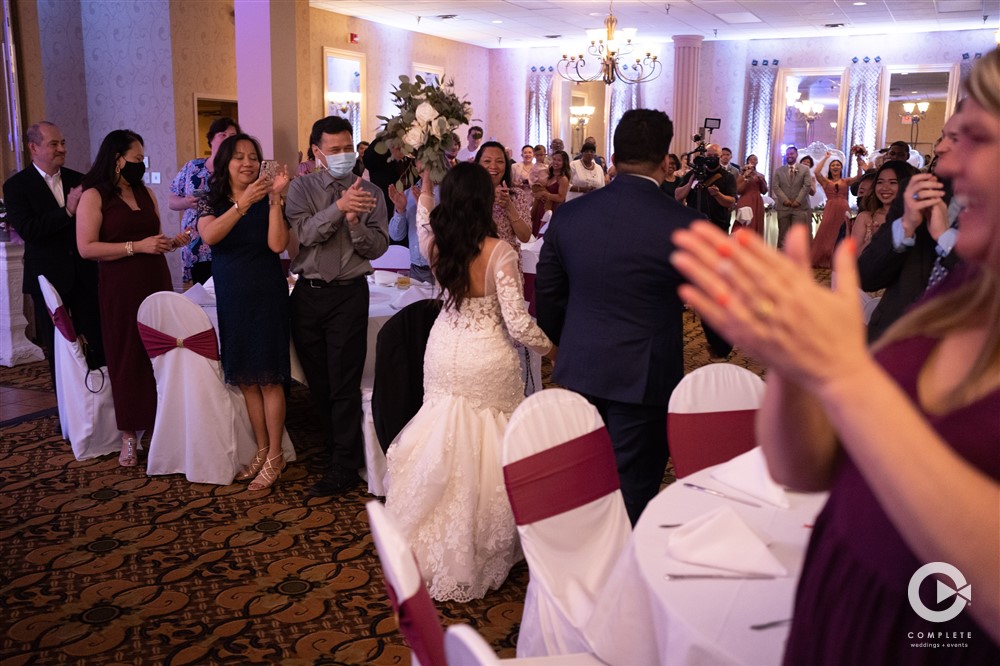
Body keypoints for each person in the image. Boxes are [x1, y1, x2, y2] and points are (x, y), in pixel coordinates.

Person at [667, 47, 1000, 665]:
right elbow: (805, 469)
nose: (947, 160)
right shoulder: (963, 292)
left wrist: (847, 376)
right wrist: (793, 363)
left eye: (975, 137)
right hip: (841, 605)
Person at [383, 162, 555, 602]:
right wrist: (551, 349)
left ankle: (427, 540)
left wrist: (424, 186)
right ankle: (477, 547)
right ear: (483, 201)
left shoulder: (438, 245)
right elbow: (517, 324)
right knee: (487, 442)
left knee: (441, 433)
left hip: (443, 348)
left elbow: (423, 217)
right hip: (486, 354)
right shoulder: (500, 252)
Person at [536, 109, 702, 525]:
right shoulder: (685, 223)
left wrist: (562, 346)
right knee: (633, 489)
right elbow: (712, 300)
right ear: (667, 162)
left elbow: (549, 294)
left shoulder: (570, 217)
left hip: (579, 367)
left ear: (612, 154)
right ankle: (619, 578)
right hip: (645, 375)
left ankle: (576, 571)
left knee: (580, 478)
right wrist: (718, 340)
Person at [285, 116, 388, 497]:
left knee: (344, 382)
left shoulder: (371, 191)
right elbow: (303, 236)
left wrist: (355, 223)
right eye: (335, 150)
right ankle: (340, 447)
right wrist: (338, 208)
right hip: (308, 294)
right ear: (316, 152)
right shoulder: (300, 189)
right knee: (319, 381)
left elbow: (378, 247)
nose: (344, 155)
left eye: (348, 148)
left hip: (348, 292)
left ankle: (343, 465)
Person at [76, 129, 181, 466]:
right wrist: (136, 247)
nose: (141, 164)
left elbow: (153, 238)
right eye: (137, 159)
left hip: (155, 279)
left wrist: (170, 242)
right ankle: (128, 435)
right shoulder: (94, 196)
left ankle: (157, 426)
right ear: (118, 159)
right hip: (120, 285)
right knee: (126, 355)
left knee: (157, 354)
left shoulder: (146, 192)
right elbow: (86, 247)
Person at [195, 134, 291, 490]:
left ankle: (276, 455)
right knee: (247, 379)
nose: (248, 163)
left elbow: (278, 245)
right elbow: (210, 237)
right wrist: (242, 204)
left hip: (266, 295)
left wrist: (274, 199)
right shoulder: (212, 200)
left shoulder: (268, 198)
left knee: (268, 378)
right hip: (232, 297)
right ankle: (262, 450)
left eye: (254, 157)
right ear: (226, 163)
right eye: (239, 157)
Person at [3, 121, 103, 385]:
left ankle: (99, 406)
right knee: (58, 348)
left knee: (95, 341)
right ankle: (67, 413)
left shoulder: (79, 179)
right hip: (47, 279)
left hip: (84, 274)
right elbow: (29, 230)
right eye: (54, 144)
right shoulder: (16, 187)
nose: (62, 149)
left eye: (63, 143)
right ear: (33, 147)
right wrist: (67, 211)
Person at [858, 112, 962, 343]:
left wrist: (946, 238)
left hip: (959, 351)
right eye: (942, 138)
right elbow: (867, 276)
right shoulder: (918, 190)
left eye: (955, 139)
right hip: (891, 338)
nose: (940, 149)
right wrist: (906, 226)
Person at [169, 116, 240, 284]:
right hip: (194, 242)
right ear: (211, 139)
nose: (228, 139)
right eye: (223, 135)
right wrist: (186, 202)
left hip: (225, 241)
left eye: (233, 136)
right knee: (201, 297)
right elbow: (172, 199)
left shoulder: (237, 169)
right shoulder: (192, 167)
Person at [476, 141, 532, 269]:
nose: (493, 166)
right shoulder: (467, 194)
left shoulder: (516, 195)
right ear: (478, 164)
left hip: (506, 266)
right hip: (476, 264)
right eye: (487, 161)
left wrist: (508, 206)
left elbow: (525, 237)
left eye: (500, 161)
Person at [851, 160, 915, 253]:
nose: (884, 188)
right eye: (880, 182)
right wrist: (875, 239)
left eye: (892, 182)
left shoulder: (915, 219)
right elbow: (853, 259)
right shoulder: (865, 218)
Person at [809, 151, 857, 268]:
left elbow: (859, 177)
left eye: (838, 165)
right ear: (830, 168)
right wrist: (825, 158)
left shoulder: (846, 181)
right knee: (827, 231)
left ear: (841, 168)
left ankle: (841, 258)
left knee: (843, 231)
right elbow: (816, 172)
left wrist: (859, 162)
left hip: (844, 208)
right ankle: (824, 257)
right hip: (831, 208)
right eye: (833, 165)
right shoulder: (826, 181)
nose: (835, 167)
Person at [771, 145, 813, 247]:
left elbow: (807, 185)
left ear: (796, 155)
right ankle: (781, 259)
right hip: (784, 207)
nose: (789, 155)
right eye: (788, 154)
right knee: (783, 235)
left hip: (799, 207)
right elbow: (775, 186)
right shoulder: (779, 170)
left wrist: (798, 200)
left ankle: (796, 260)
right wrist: (785, 200)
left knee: (797, 236)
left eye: (792, 153)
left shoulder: (804, 169)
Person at [530, 150, 569, 235]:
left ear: (564, 162)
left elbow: (561, 198)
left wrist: (545, 194)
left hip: (554, 210)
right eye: (554, 159)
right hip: (542, 208)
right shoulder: (549, 175)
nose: (555, 162)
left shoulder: (563, 179)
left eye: (559, 160)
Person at [735, 154, 768, 236]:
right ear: (747, 161)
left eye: (755, 159)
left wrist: (762, 181)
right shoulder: (741, 175)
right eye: (751, 159)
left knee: (757, 222)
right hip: (745, 200)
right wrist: (746, 178)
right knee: (746, 223)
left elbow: (764, 191)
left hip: (757, 201)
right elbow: (738, 190)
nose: (753, 161)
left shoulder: (760, 175)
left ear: (757, 162)